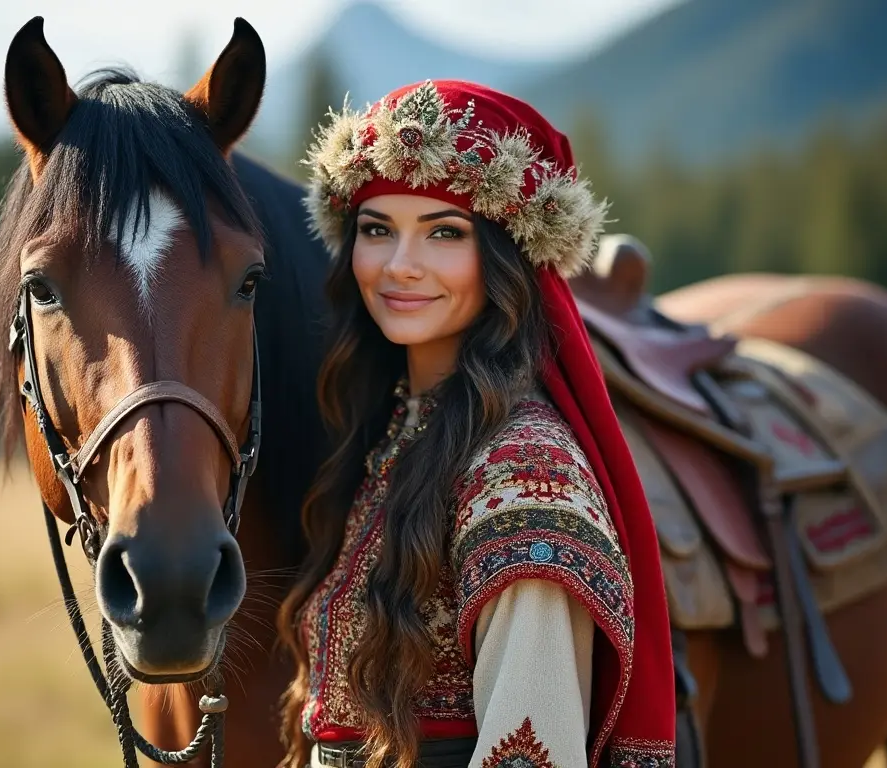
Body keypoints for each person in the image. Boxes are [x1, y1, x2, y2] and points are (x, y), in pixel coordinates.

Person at [276, 79, 675, 768]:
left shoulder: (526, 473)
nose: (400, 266)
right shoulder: (390, 430)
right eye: (377, 230)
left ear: (507, 256)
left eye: (444, 233)